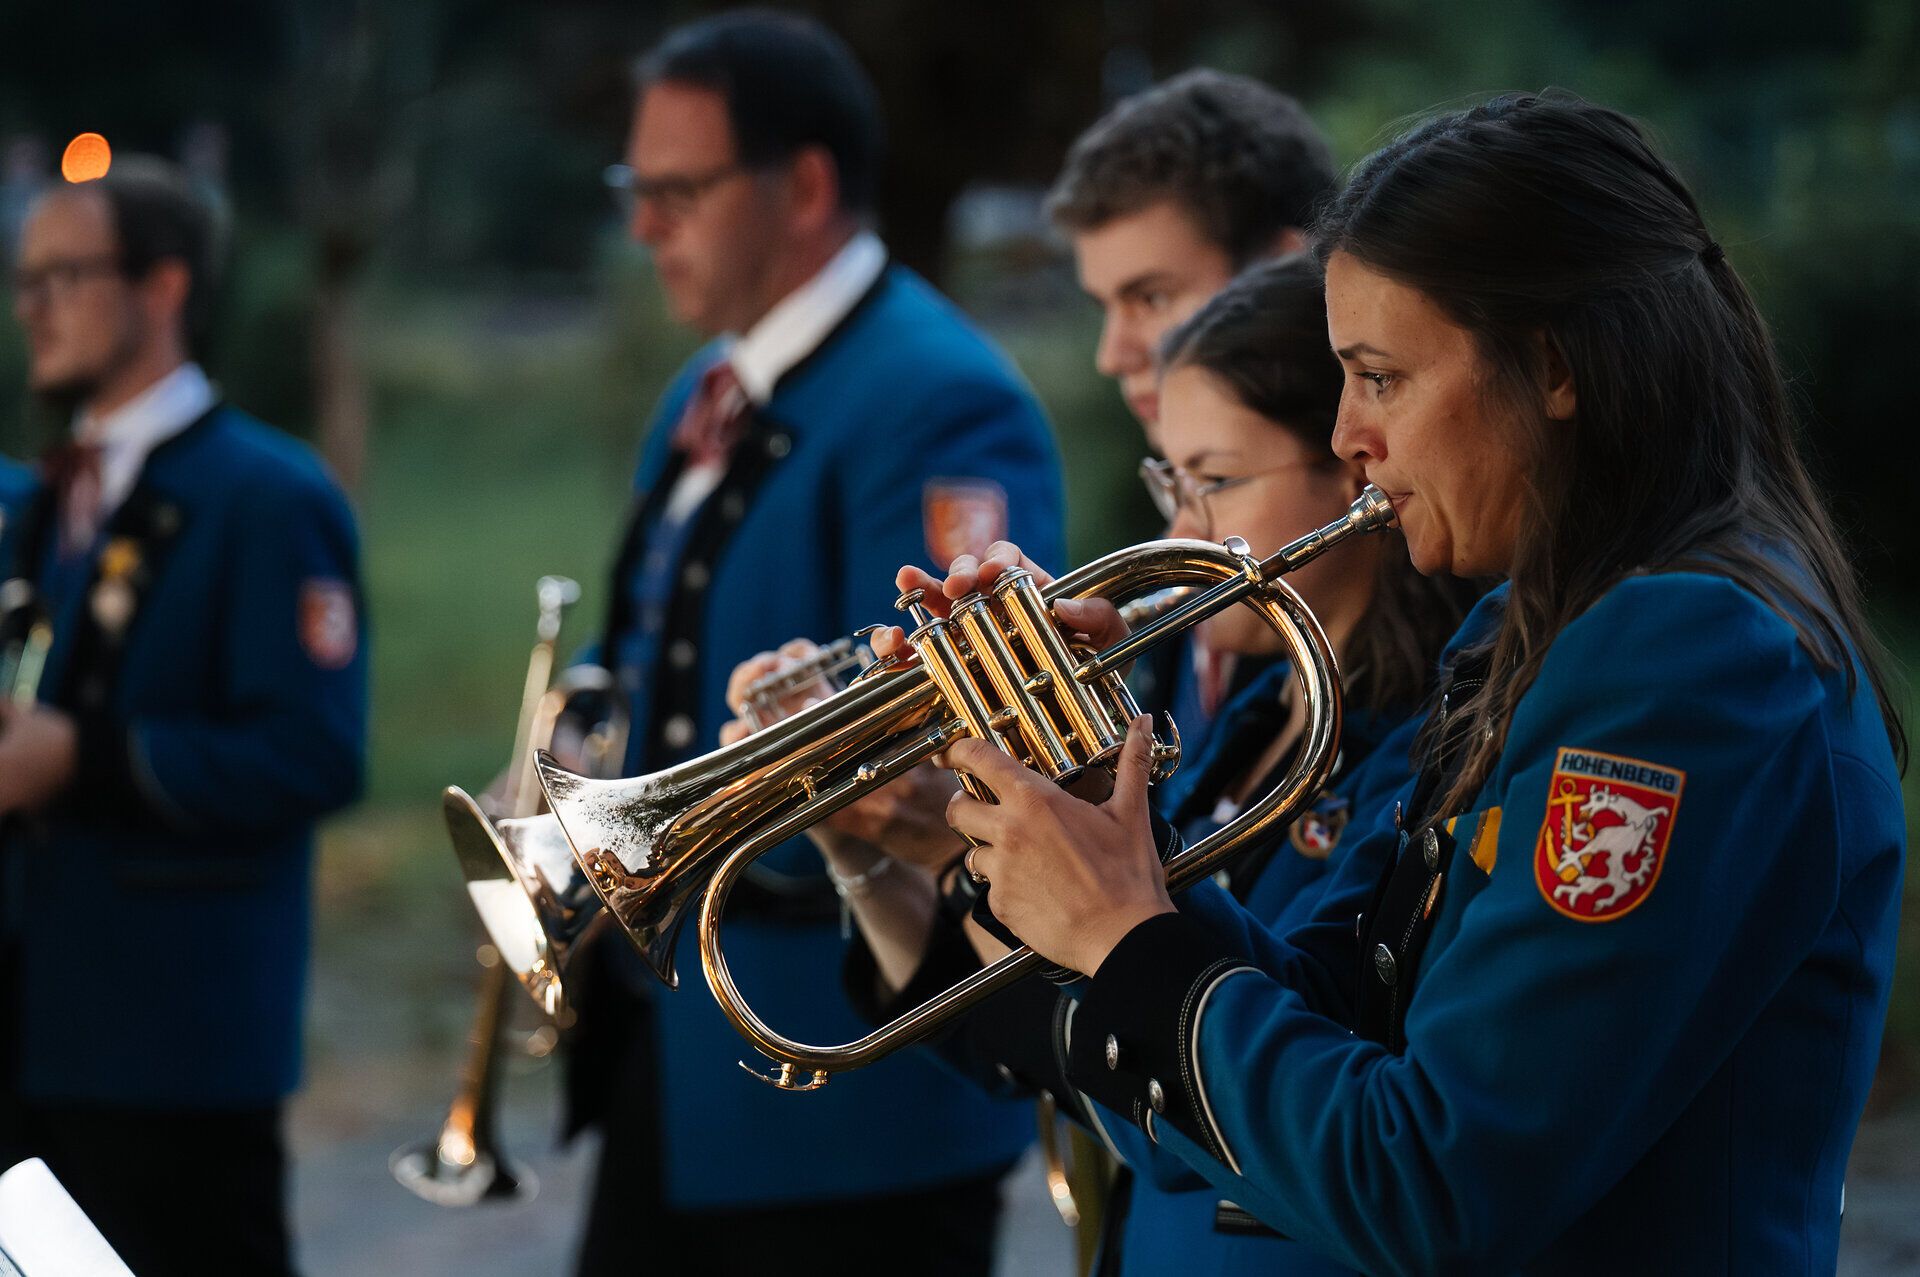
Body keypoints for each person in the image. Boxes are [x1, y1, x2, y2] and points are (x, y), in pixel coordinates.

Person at [901, 92, 1906, 1274]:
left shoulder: (1689, 659)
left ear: (1552, 364)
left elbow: (1440, 1179)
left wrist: (1127, 938)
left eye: (1379, 375)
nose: (1345, 436)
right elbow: (1333, 1013)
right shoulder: (1536, 623)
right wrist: (1082, 781)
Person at [727, 256, 1477, 1274]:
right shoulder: (1248, 721)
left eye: (1215, 481)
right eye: (1172, 482)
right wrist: (878, 834)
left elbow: (1191, 1044)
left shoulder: (1415, 747)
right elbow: (1033, 1032)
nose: (1181, 532)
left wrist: (1016, 848)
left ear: (1358, 470)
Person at [564, 12, 1064, 1276]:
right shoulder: (707, 389)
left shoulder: (940, 392)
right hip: (687, 1063)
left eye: (675, 190)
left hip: (848, 1112)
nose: (644, 226)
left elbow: (948, 737)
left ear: (804, 187)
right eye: (637, 190)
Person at [0, 156, 367, 1275]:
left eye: (65, 275)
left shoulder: (269, 491)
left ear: (162, 288)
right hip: (33, 1024)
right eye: (25, 281)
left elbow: (313, 751)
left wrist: (86, 755)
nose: (34, 307)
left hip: (175, 1042)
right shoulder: (47, 493)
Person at [1046, 68, 1337, 735]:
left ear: (1282, 274)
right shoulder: (1176, 557)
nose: (1112, 355)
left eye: (1151, 298)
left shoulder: (1330, 566)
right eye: (1105, 307)